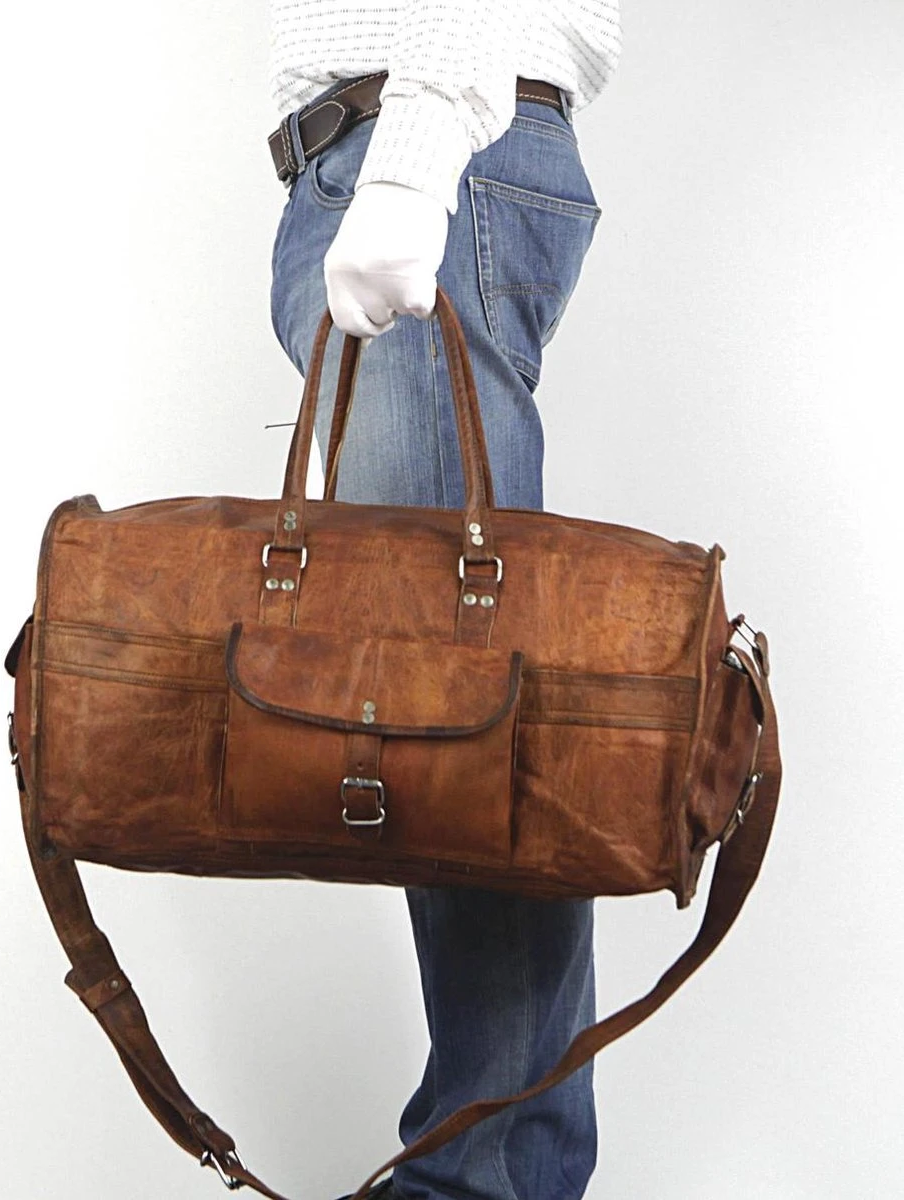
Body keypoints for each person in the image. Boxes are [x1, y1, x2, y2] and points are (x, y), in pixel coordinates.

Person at [267, 4, 622, 1197]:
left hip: (427, 146)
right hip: (397, 153)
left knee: (460, 709)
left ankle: (482, 1181)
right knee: (456, 696)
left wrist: (408, 171)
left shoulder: (419, 155)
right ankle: (497, 1168)